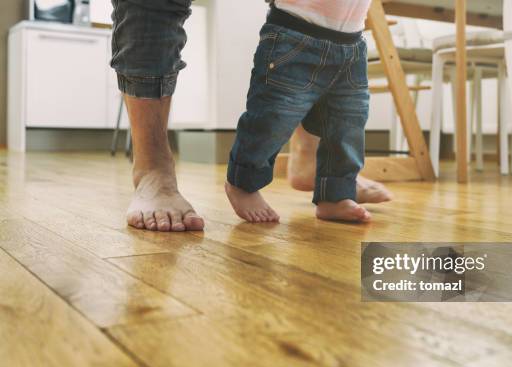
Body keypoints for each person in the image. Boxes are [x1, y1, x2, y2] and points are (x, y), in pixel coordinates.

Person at [110, 0, 392, 231]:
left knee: (348, 121)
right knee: (273, 116)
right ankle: (241, 182)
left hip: (353, 40)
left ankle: (335, 191)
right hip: (295, 34)